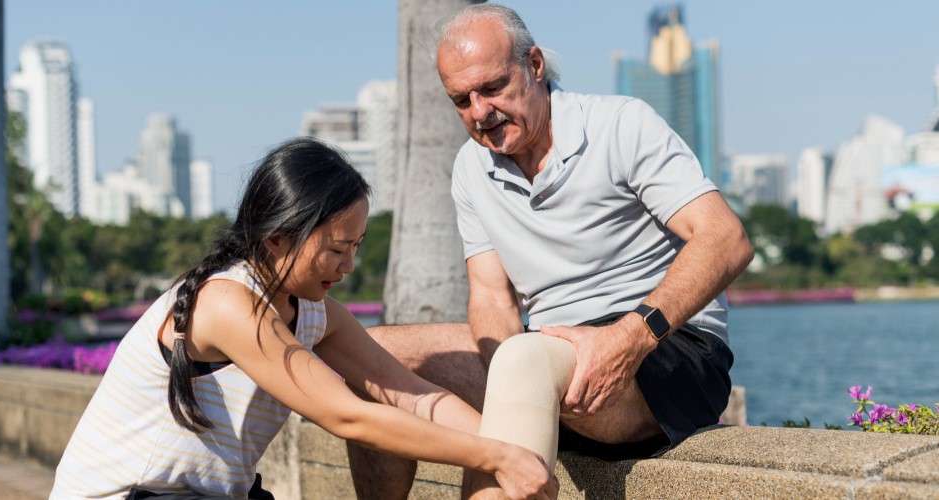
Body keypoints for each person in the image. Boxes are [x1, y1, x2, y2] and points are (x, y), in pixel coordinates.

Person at [347, 4, 754, 499]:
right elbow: (491, 298)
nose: (480, 112)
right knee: (370, 354)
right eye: (461, 100)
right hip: (545, 352)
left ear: (534, 65)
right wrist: (505, 375)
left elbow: (725, 238)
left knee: (526, 361)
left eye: (493, 87)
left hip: (665, 349)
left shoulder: (619, 124)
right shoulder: (471, 168)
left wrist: (628, 338)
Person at [49, 138, 558, 500]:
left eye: (356, 246)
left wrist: (513, 447)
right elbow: (348, 416)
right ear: (276, 239)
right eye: (337, 249)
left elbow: (414, 396)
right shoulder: (226, 303)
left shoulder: (314, 314)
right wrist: (493, 458)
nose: (349, 265)